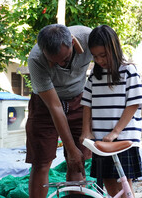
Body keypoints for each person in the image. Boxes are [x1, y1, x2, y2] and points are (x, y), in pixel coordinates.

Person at [25, 24, 93, 198]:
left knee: (77, 161)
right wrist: (69, 148)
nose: (61, 64)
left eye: (65, 58)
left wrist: (74, 151)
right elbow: (55, 107)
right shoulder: (36, 59)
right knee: (41, 161)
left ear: (72, 42)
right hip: (45, 105)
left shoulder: (88, 37)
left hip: (78, 100)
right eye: (54, 62)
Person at [80, 25, 142, 197]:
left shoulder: (129, 71)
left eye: (103, 55)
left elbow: (133, 104)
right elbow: (87, 104)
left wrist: (115, 132)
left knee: (123, 184)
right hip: (101, 140)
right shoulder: (95, 76)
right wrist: (86, 131)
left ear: (114, 49)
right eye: (95, 56)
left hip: (123, 139)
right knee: (109, 183)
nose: (100, 60)